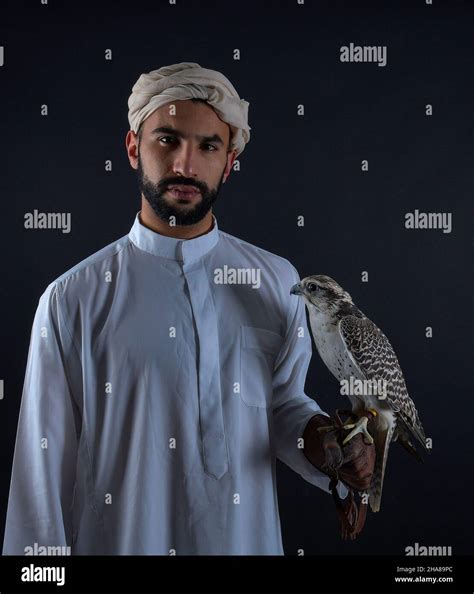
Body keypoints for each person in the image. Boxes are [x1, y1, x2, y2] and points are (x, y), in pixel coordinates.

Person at [3, 62, 374, 555]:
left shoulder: (276, 281)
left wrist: (325, 446)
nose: (185, 165)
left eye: (208, 146)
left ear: (230, 161)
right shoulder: (74, 299)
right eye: (167, 140)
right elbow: (39, 479)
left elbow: (280, 405)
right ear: (133, 147)